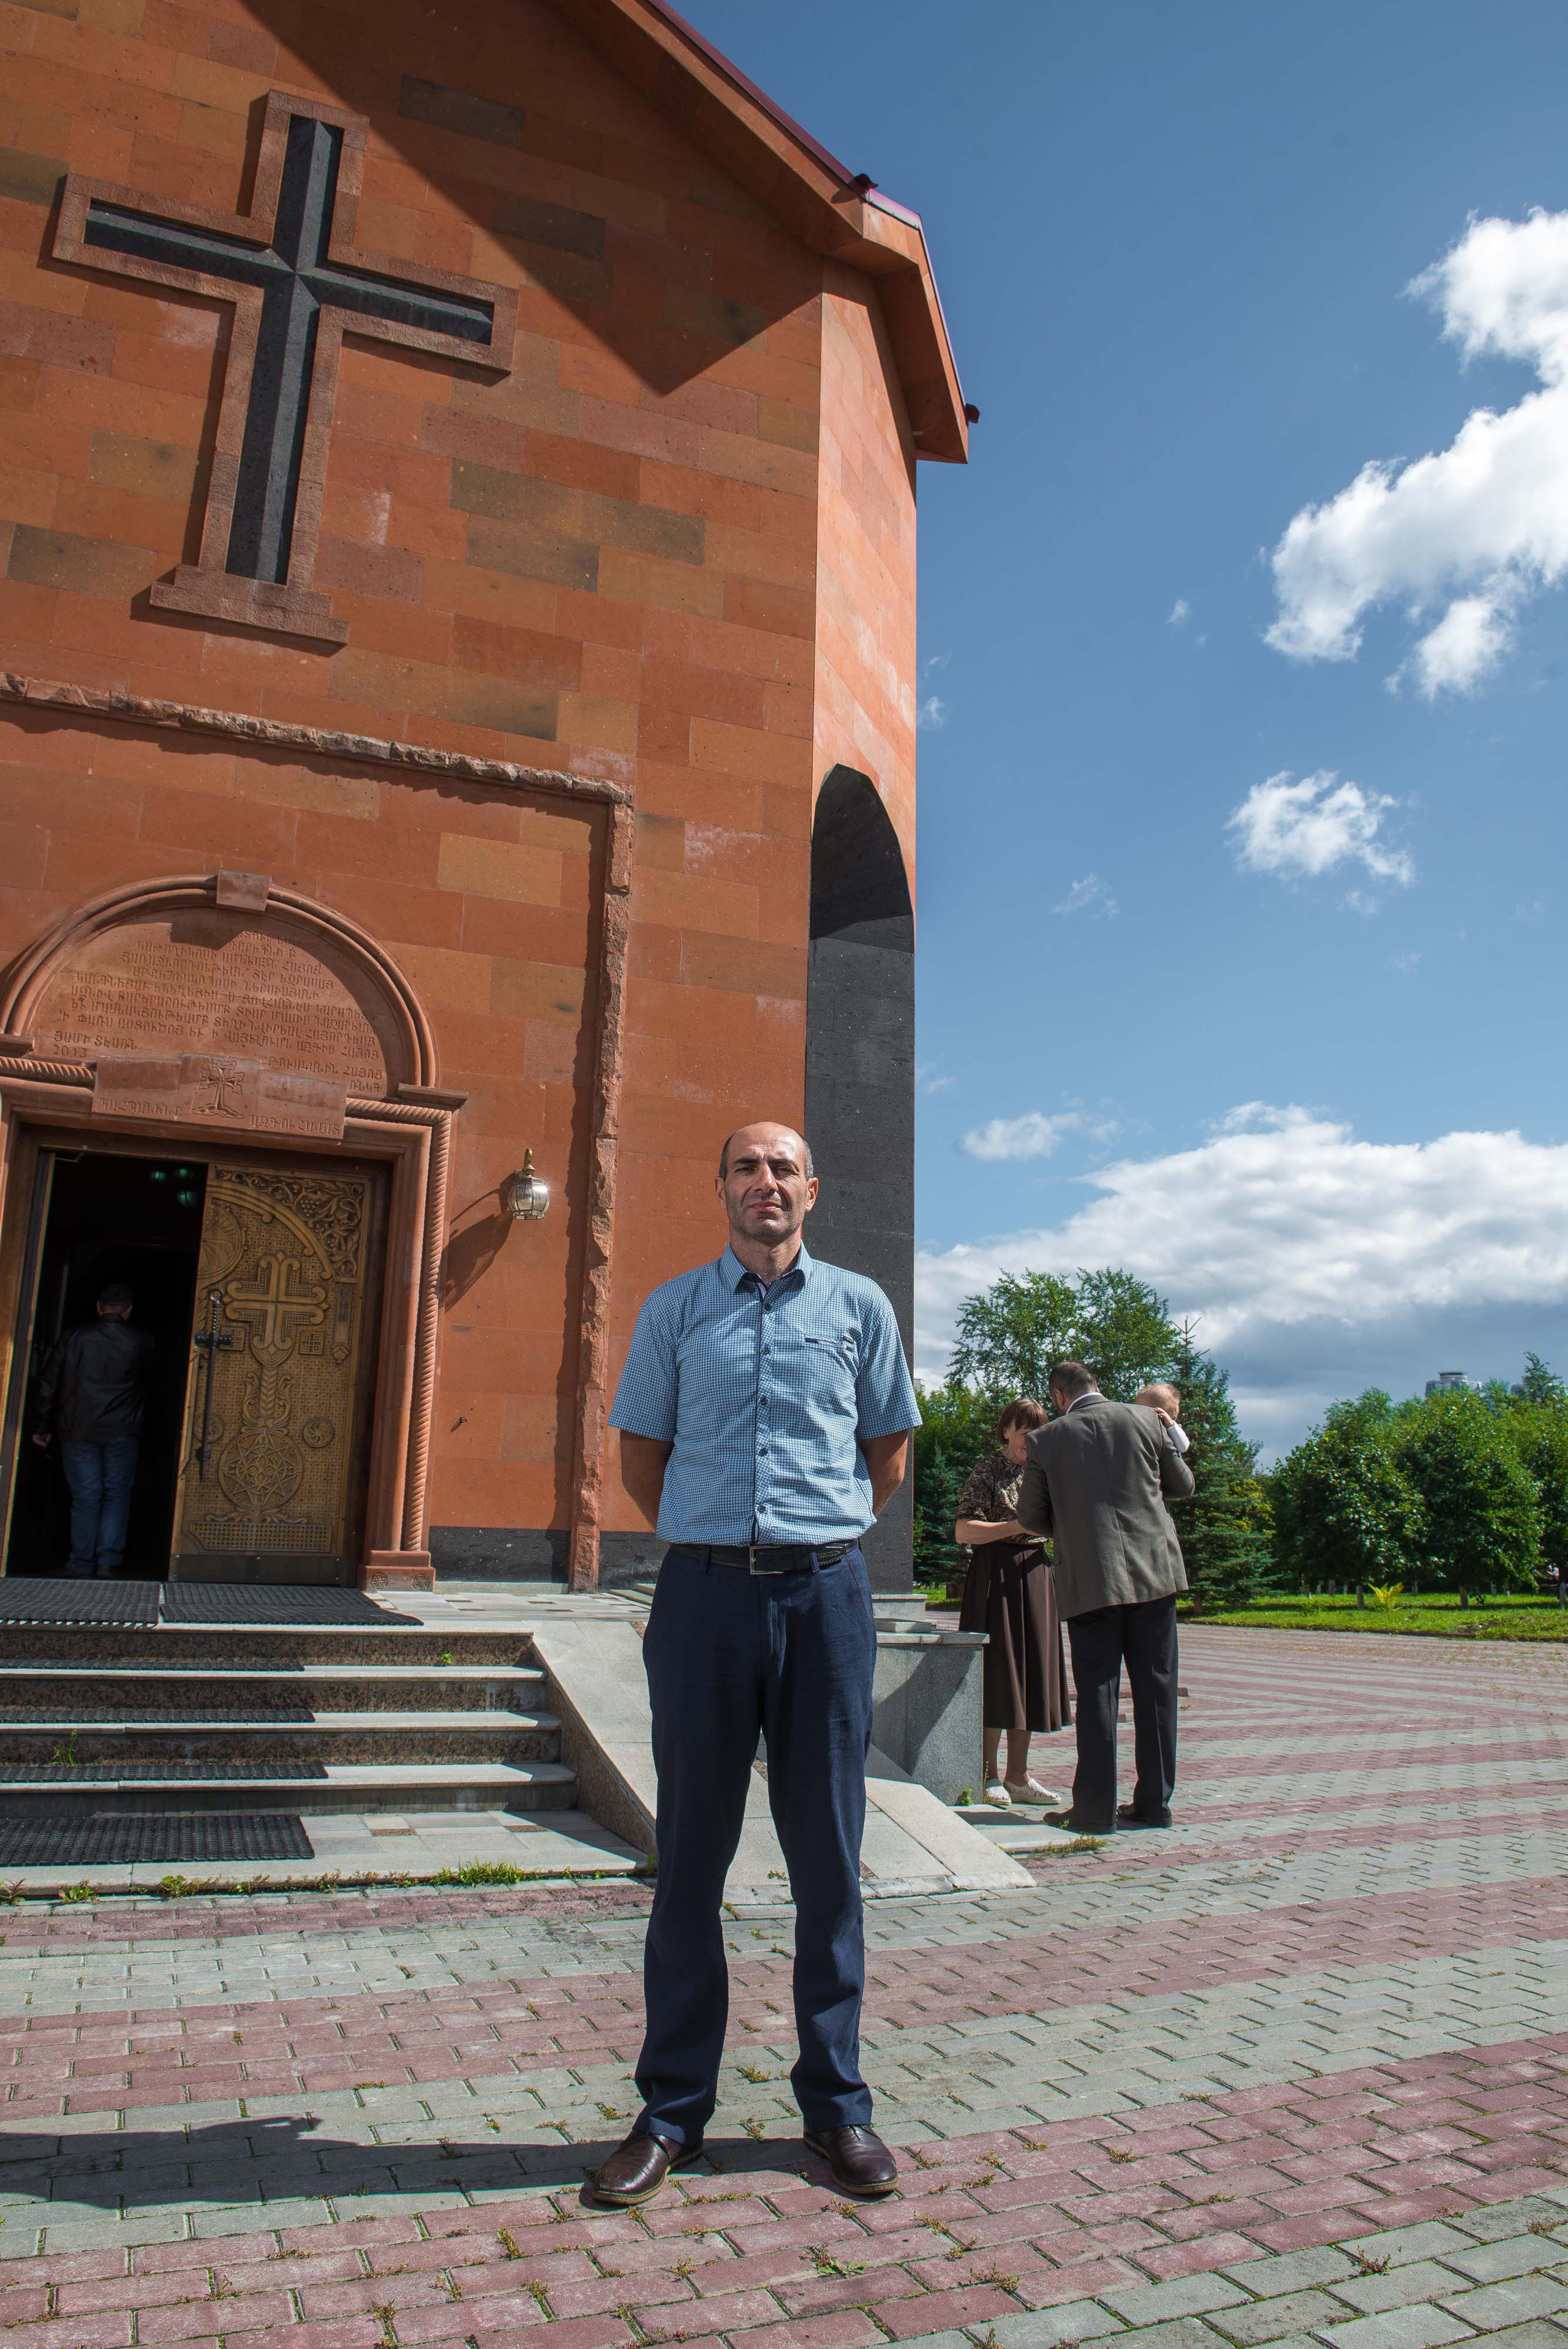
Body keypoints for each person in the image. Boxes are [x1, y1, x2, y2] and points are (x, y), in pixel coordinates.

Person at [594, 1120, 920, 2209]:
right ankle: (672, 2110)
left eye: (783, 1168)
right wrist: (714, 1536)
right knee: (689, 1856)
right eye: (745, 1166)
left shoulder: (860, 1308)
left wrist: (820, 1536)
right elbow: (643, 1449)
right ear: (721, 1186)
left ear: (812, 1191)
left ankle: (837, 2109)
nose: (764, 1183)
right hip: (703, 1600)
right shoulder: (677, 1308)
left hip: (826, 1596)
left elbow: (889, 1445)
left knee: (829, 1855)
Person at [1016, 1361, 1194, 1833]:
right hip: (1156, 1574)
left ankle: (1094, 1812)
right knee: (1158, 1691)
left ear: (1057, 1396)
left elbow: (1031, 1516)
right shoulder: (1145, 1419)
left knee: (1098, 1693)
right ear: (1097, 1385)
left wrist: (1076, 1530)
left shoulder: (1046, 1439)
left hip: (1092, 1581)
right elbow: (1184, 1485)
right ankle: (1154, 1805)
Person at [953, 1399, 1069, 1809]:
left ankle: (1018, 1775)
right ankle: (987, 1773)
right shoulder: (988, 1469)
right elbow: (963, 1530)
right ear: (1006, 1431)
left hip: (1037, 1575)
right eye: (1024, 1431)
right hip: (995, 1574)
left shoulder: (1046, 1471)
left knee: (1033, 1672)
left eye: (1037, 1432)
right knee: (999, 1672)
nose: (1030, 1440)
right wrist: (1016, 1526)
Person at [31, 1283, 154, 1580]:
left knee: (86, 1496)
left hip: (78, 1428)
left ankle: (80, 1562)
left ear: (98, 1308)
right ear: (128, 1311)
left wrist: (43, 1426)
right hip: (122, 1429)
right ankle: (108, 1562)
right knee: (116, 1495)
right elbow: (153, 1384)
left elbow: (49, 1384)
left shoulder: (74, 1338)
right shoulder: (142, 1341)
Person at [1134, 1382, 1189, 1455]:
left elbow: (1183, 1447)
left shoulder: (1171, 1429)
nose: (1134, 1410)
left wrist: (1171, 1426)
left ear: (1159, 1413)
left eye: (1139, 1408)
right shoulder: (1139, 1426)